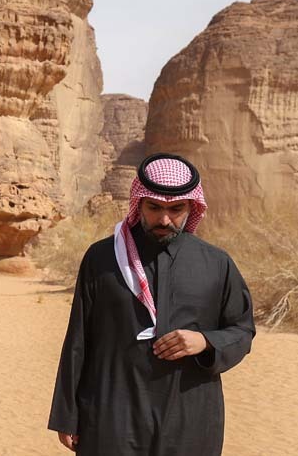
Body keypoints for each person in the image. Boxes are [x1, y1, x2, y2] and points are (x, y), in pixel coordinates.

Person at [48, 153, 255, 455]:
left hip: (190, 416)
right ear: (138, 203)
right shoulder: (104, 258)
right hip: (112, 415)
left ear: (192, 207)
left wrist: (206, 341)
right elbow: (78, 339)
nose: (164, 219)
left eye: (176, 209)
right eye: (154, 207)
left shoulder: (216, 264)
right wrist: (67, 413)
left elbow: (242, 329)